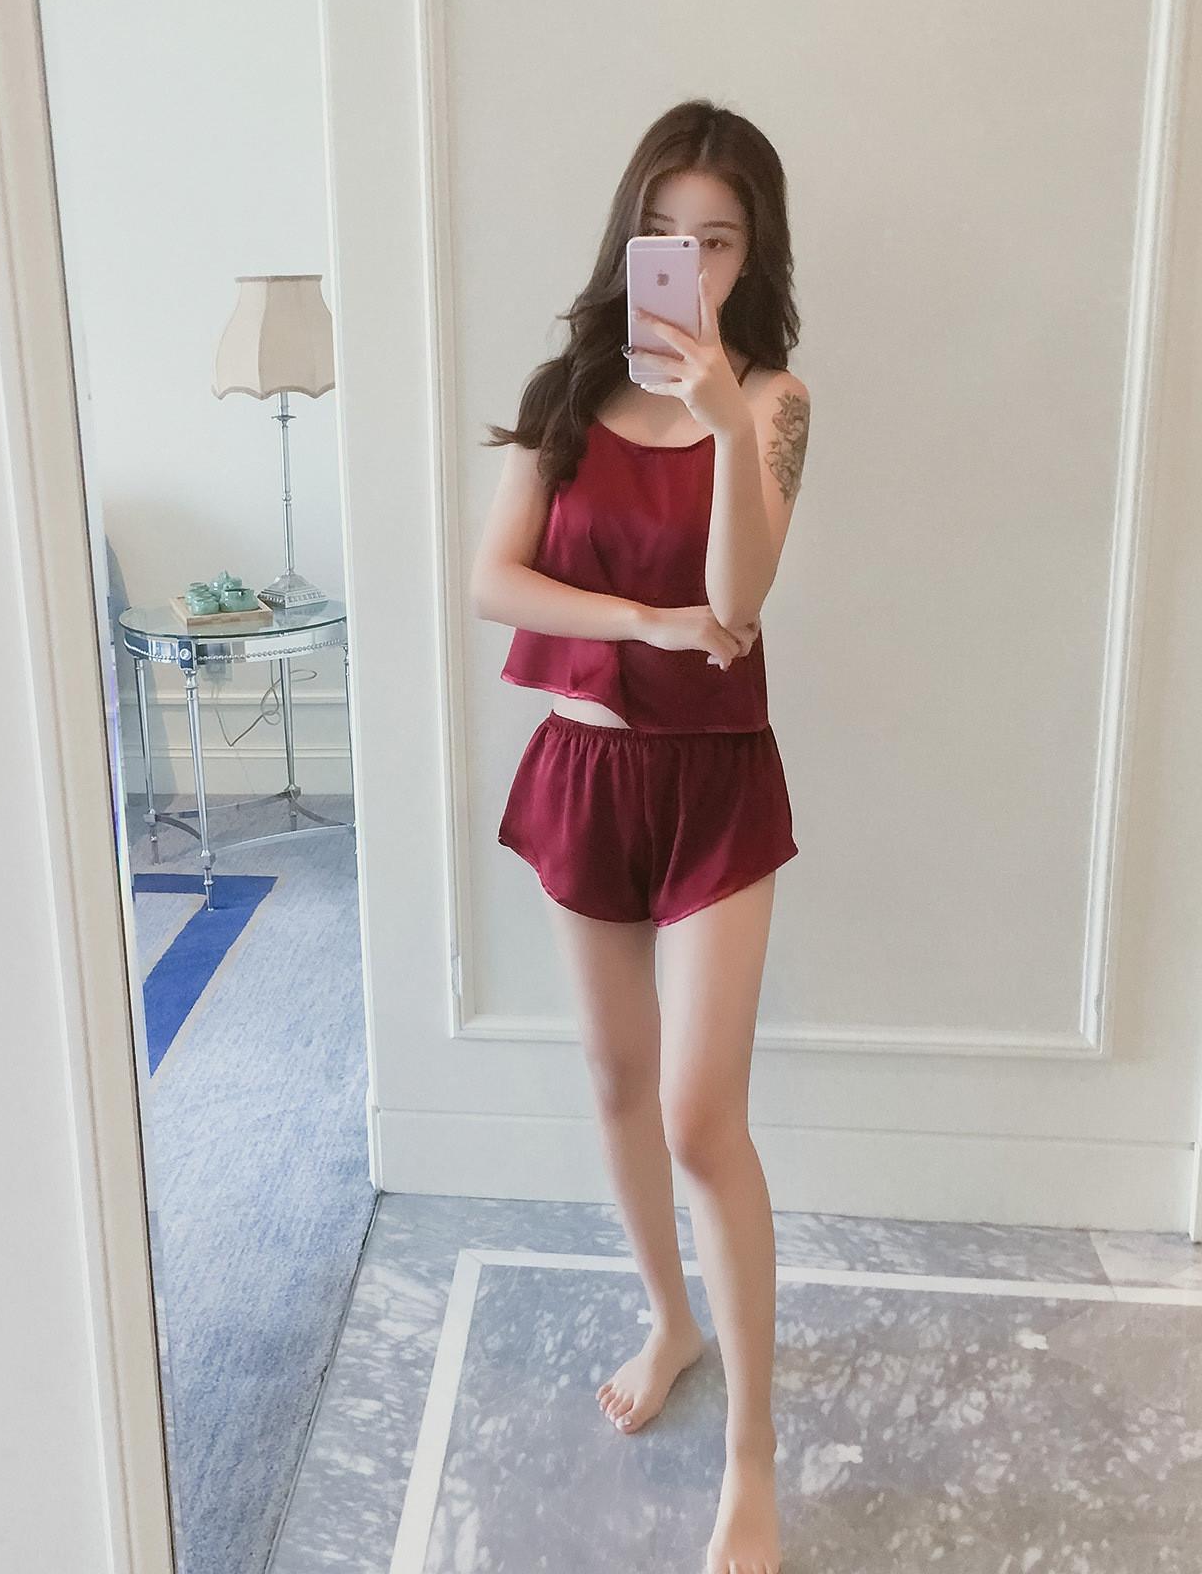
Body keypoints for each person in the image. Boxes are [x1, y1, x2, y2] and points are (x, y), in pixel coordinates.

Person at [468, 98, 811, 1574]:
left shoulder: (775, 401)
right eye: (664, 232)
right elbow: (495, 581)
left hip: (715, 779)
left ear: (753, 256)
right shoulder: (563, 395)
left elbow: (740, 600)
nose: (687, 259)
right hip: (587, 769)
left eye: (717, 239)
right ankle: (671, 1321)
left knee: (697, 1114)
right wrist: (639, 622)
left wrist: (724, 417)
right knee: (616, 1080)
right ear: (629, 238)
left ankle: (754, 1453)